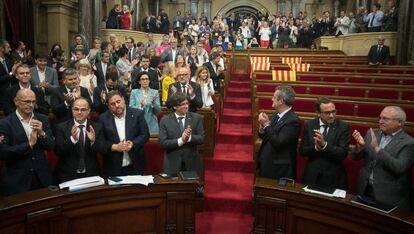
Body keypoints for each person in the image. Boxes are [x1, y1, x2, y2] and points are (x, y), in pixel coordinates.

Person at [351, 106, 414, 210]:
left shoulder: (409, 143)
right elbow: (355, 157)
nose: (380, 121)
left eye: (385, 119)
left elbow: (399, 167)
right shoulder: (372, 133)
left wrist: (377, 149)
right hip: (365, 189)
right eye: (380, 118)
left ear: (400, 122)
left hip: (389, 196)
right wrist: (360, 146)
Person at [0, 89, 54, 195]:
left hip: (42, 179)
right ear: (16, 102)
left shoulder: (42, 119)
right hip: (17, 181)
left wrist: (42, 133)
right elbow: (3, 152)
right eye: (27, 101)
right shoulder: (4, 124)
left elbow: (51, 146)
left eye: (33, 102)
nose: (31, 105)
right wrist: (29, 145)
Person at [299, 97, 350, 190]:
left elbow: (342, 153)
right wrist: (315, 148)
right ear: (318, 113)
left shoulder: (343, 127)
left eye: (333, 111)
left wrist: (324, 145)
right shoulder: (310, 125)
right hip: (312, 176)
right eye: (327, 113)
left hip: (333, 177)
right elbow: (302, 150)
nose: (331, 116)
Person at [54, 98, 106, 183]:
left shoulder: (97, 127)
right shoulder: (61, 127)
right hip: (67, 174)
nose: (79, 112)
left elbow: (104, 149)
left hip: (91, 173)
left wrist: (93, 141)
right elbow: (58, 151)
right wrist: (72, 140)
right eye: (76, 109)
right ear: (72, 110)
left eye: (83, 109)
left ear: (89, 111)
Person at [98, 90, 149, 176]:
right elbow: (100, 142)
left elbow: (145, 135)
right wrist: (114, 147)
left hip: (135, 165)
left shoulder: (137, 114)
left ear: (123, 99)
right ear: (108, 106)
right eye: (112, 104)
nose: (117, 105)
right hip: (113, 167)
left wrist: (133, 143)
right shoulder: (103, 119)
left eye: (118, 101)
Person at [257, 86, 301, 179]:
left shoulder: (293, 121)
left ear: (281, 101)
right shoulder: (275, 115)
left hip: (279, 169)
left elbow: (278, 142)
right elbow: (266, 136)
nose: (271, 99)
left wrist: (266, 125)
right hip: (267, 162)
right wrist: (262, 129)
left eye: (274, 97)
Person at [159, 92, 204, 176]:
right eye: (183, 104)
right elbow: (163, 143)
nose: (186, 106)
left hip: (192, 164)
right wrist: (181, 140)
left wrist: (189, 138)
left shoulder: (196, 118)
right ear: (175, 106)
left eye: (187, 103)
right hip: (172, 165)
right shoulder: (165, 121)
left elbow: (201, 138)